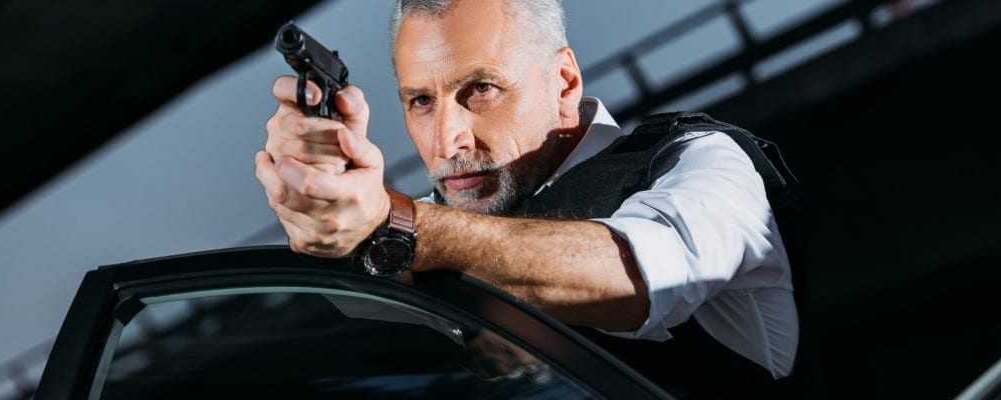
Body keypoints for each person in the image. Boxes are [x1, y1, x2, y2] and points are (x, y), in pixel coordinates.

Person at [254, 0, 798, 395]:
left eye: (480, 89)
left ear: (564, 83)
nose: (447, 140)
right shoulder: (444, 224)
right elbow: (351, 291)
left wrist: (393, 221)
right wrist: (323, 192)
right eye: (421, 101)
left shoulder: (704, 165)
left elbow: (638, 276)